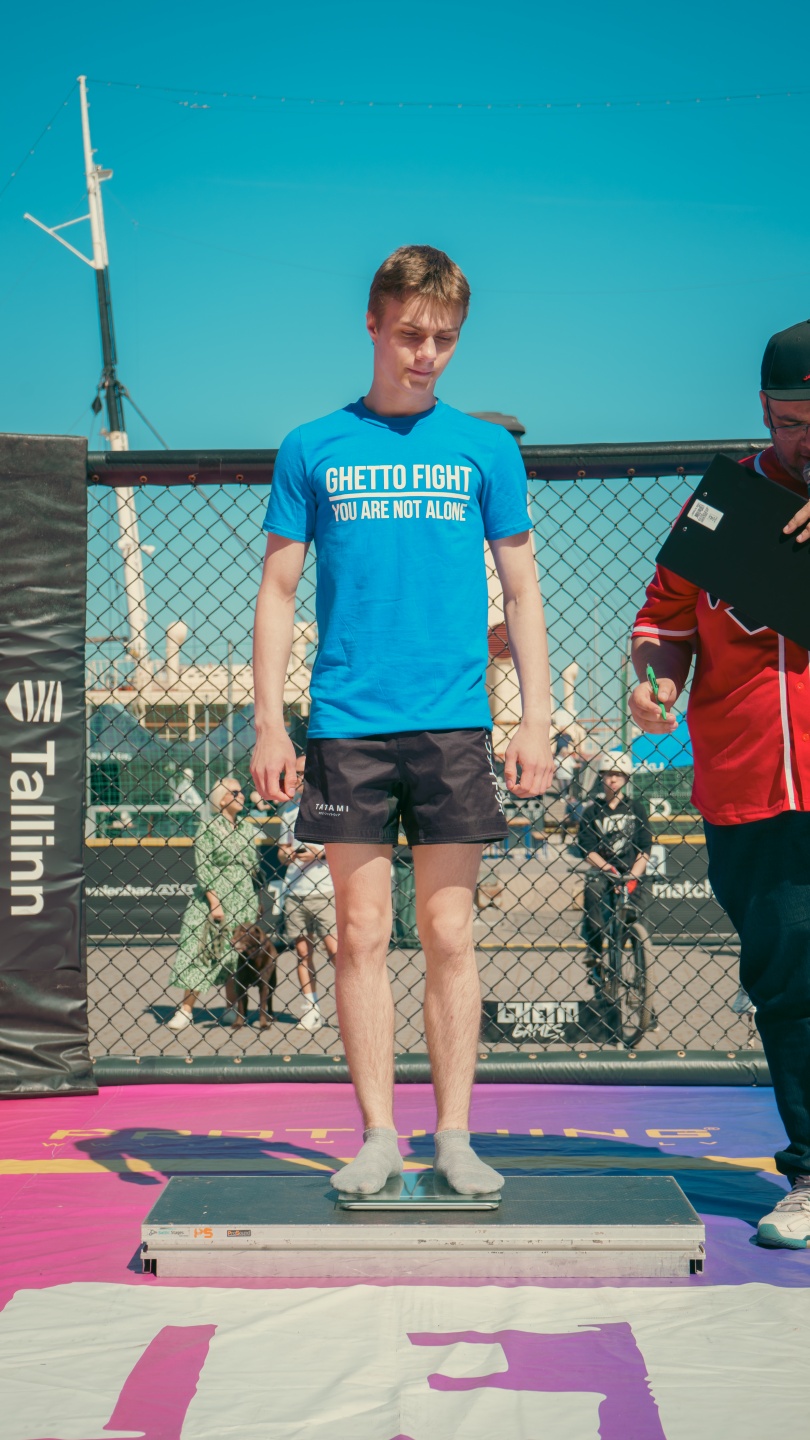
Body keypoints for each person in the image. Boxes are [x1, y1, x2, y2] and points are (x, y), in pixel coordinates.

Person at [252, 244, 554, 1194]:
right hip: (347, 721)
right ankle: (378, 1135)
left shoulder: (485, 449)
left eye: (446, 339)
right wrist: (270, 723)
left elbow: (523, 589)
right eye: (413, 334)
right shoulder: (312, 446)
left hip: (453, 723)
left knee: (452, 934)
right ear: (374, 324)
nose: (427, 354)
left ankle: (454, 1136)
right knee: (359, 933)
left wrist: (536, 718)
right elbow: (277, 590)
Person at [629, 318, 810, 1248]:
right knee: (789, 979)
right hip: (751, 790)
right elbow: (663, 621)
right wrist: (653, 681)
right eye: (792, 421)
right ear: (765, 413)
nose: (806, 440)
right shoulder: (721, 505)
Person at [166, 779, 259, 1031]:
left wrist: (253, 900)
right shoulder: (208, 827)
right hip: (214, 897)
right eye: (235, 792)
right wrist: (214, 903)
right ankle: (186, 1010)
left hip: (243, 897)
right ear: (222, 799)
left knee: (234, 955)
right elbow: (203, 866)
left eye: (242, 791)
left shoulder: (247, 828)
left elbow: (253, 867)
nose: (242, 795)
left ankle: (231, 1007)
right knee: (201, 950)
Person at [277, 752, 338, 1034]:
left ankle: (348, 1007)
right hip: (296, 890)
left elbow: (341, 849)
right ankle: (311, 1009)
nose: (298, 778)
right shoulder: (289, 812)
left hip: (325, 889)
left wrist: (319, 853)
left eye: (302, 773)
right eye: (295, 773)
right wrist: (289, 854)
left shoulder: (329, 808)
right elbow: (282, 851)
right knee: (303, 953)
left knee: (336, 952)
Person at [578, 753, 651, 968]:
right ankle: (594, 948)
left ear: (626, 778)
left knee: (638, 914)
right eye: (609, 774)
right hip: (604, 870)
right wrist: (608, 868)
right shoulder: (592, 812)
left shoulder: (636, 808)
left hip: (631, 871)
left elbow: (645, 847)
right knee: (592, 890)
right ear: (602, 777)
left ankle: (641, 964)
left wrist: (632, 876)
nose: (613, 779)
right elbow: (587, 850)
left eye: (618, 775)